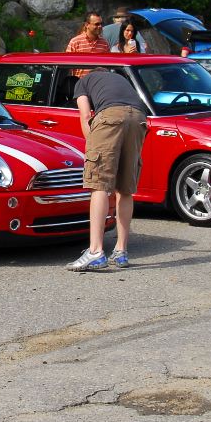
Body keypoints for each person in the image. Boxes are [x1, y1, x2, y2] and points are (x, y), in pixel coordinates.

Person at [66, 67, 147, 271]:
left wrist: (93, 147)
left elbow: (86, 115)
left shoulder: (83, 81)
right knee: (125, 189)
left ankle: (95, 251)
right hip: (139, 118)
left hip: (110, 116)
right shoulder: (119, 80)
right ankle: (121, 251)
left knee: (99, 184)